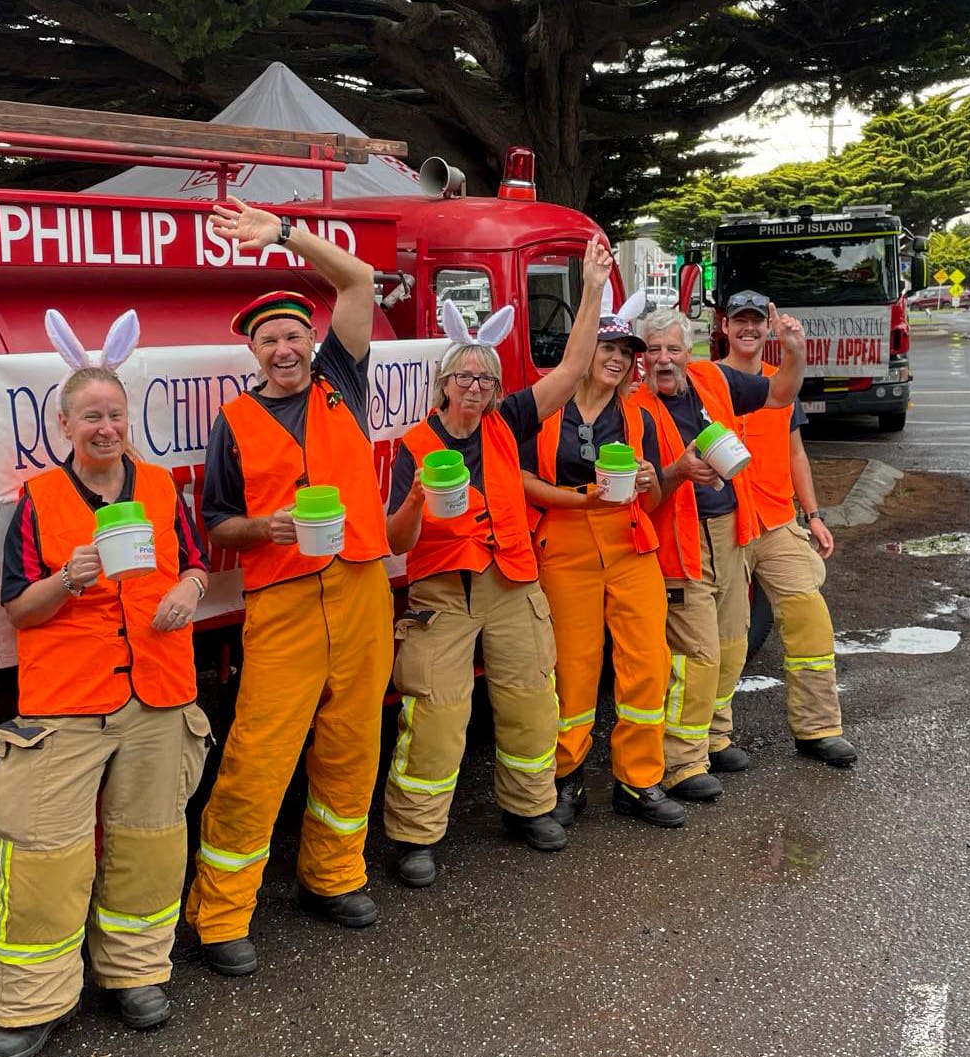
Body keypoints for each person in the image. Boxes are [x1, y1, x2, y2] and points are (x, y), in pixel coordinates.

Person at [0, 310, 212, 1057]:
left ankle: (137, 974)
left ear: (127, 418)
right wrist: (65, 579)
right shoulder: (38, 498)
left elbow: (198, 562)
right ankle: (30, 1005)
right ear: (65, 424)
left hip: (161, 692)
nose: (105, 427)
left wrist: (189, 590)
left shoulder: (162, 486)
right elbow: (19, 610)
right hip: (68, 703)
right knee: (44, 853)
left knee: (151, 843)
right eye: (90, 416)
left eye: (115, 414)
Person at [186, 197, 394, 975]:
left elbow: (360, 279)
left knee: (353, 744)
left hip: (361, 585)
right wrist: (263, 528)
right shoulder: (234, 422)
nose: (284, 348)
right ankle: (220, 913)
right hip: (283, 603)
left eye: (294, 334)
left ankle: (333, 875)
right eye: (269, 338)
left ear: (314, 341)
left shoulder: (344, 377)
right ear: (253, 351)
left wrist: (282, 234)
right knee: (257, 757)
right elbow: (217, 521)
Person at [380, 240, 613, 888]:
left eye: (485, 379)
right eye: (464, 377)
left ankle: (530, 807)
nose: (475, 388)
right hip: (443, 595)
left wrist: (593, 286)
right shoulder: (414, 445)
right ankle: (414, 836)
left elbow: (572, 367)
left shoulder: (508, 422)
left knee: (532, 701)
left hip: (513, 583)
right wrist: (417, 499)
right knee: (436, 716)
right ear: (443, 383)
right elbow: (395, 540)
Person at [630, 303, 804, 800]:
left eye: (674, 349)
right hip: (678, 542)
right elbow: (644, 499)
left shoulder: (714, 380)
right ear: (643, 359)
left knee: (732, 644)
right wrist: (679, 472)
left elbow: (780, 393)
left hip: (730, 531)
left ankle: (713, 735)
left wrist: (794, 352)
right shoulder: (635, 410)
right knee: (697, 655)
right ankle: (681, 762)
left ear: (691, 353)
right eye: (654, 350)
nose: (664, 359)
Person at [521, 299, 682, 828]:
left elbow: (654, 498)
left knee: (648, 662)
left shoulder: (639, 417)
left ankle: (639, 780)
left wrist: (650, 479)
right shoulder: (546, 410)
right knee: (573, 667)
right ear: (583, 352)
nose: (618, 359)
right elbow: (520, 479)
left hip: (629, 543)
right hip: (564, 542)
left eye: (625, 352)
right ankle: (566, 777)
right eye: (607, 348)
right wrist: (579, 499)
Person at [724, 290, 859, 767]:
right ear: (724, 327)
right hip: (725, 524)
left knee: (809, 619)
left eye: (756, 321)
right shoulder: (706, 380)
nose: (748, 328)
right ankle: (711, 739)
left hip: (777, 521)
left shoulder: (782, 382)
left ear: (768, 328)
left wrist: (814, 514)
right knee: (725, 635)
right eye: (739, 320)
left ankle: (818, 729)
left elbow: (795, 451)